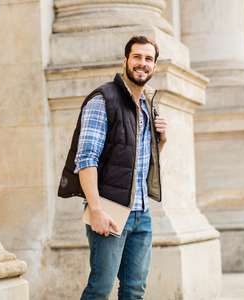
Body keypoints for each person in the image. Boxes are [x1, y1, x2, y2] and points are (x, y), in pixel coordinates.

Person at [57, 35, 168, 299]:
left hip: (142, 213)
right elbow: (85, 159)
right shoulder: (103, 99)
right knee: (100, 289)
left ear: (154, 66)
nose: (142, 63)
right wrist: (95, 209)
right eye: (137, 57)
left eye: (148, 59)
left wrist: (161, 141)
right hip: (110, 208)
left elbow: (138, 159)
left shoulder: (148, 107)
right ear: (125, 61)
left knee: (134, 290)